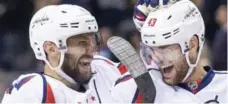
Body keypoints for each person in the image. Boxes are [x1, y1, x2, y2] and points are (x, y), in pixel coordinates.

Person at [111, 0, 227, 103]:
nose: (156, 57)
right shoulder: (140, 88)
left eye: (164, 48)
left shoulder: (225, 87)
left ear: (192, 45)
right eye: (152, 49)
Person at [1, 4, 121, 103]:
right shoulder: (32, 92)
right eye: (81, 43)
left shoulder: (104, 69)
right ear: (51, 49)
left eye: (92, 41)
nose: (92, 51)